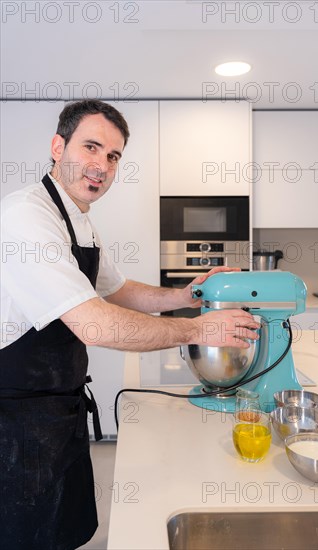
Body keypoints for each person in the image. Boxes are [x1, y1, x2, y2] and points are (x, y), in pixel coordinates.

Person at [0, 99, 260, 549]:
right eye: (92, 147)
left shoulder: (80, 221)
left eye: (114, 156)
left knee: (62, 532)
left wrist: (188, 294)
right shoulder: (26, 217)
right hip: (16, 421)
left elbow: (117, 290)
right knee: (26, 535)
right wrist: (199, 329)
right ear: (58, 146)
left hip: (58, 408)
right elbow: (96, 325)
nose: (102, 165)